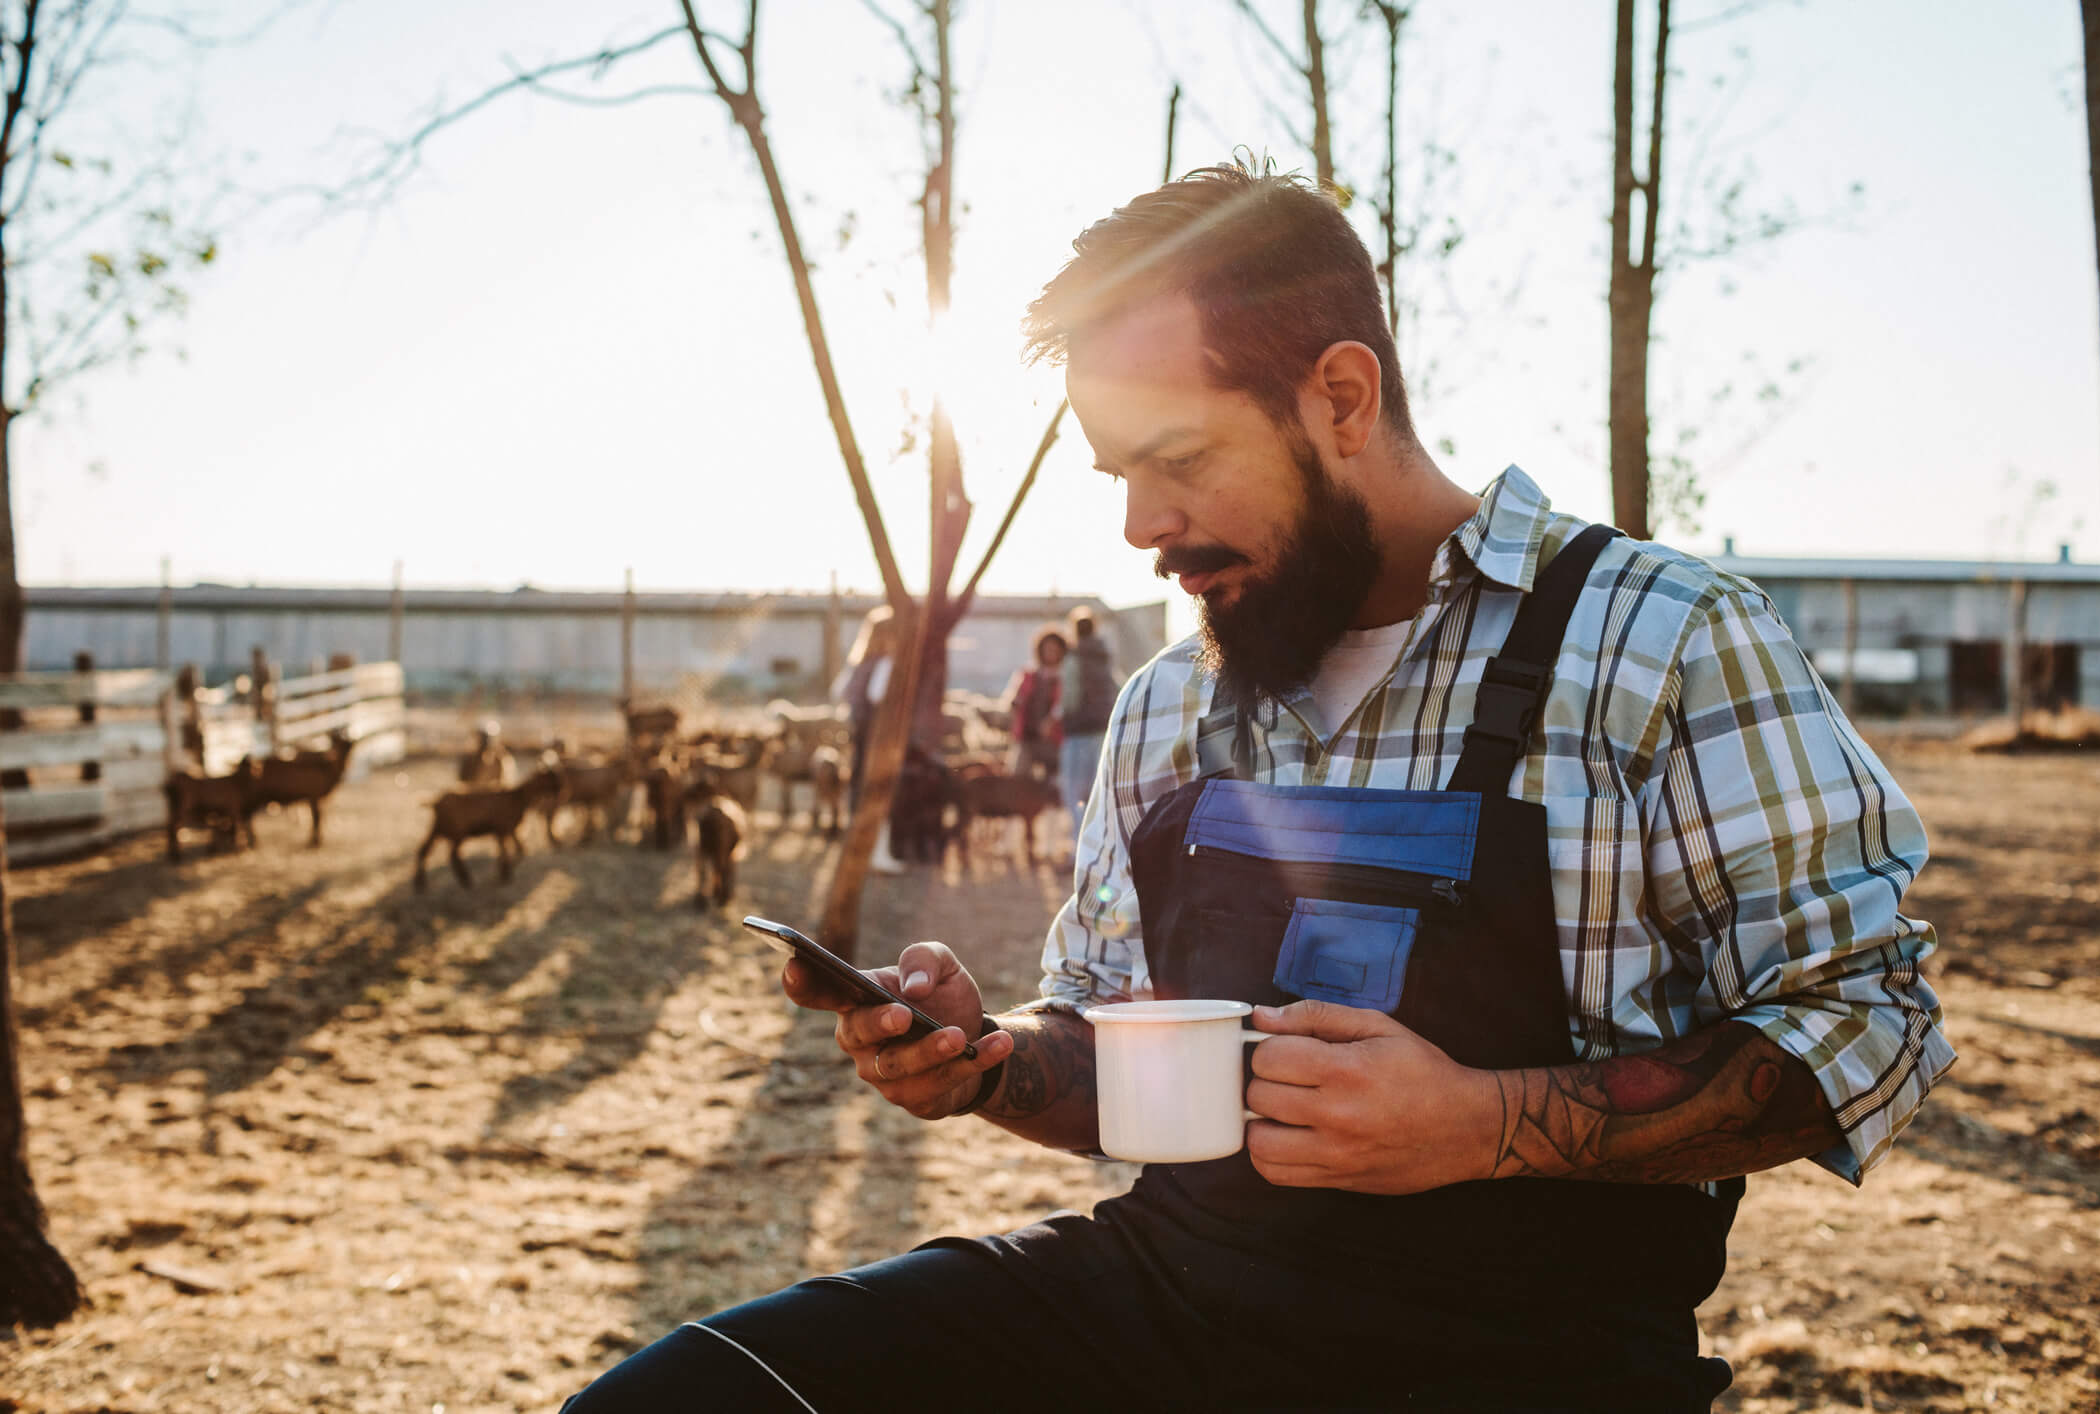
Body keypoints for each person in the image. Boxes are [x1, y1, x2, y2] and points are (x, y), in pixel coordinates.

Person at [564, 163, 1952, 1412]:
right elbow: (1112, 1056)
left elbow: (1865, 1024)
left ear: (1340, 397)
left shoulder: (1665, 639)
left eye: (1177, 460)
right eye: (1119, 474)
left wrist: (1483, 1122)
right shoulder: (1170, 700)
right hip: (1162, 1304)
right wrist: (984, 1059)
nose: (1140, 525)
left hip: (1534, 1363)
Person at [832, 605, 903, 876]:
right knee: (880, 788)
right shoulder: (886, 663)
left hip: (859, 733)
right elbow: (877, 695)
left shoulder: (860, 662)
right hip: (877, 736)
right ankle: (878, 853)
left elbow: (839, 691)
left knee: (860, 786)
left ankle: (858, 848)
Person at [1055, 605, 1119, 838]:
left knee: (1075, 793)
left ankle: (1080, 845)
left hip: (1078, 732)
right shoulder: (1104, 656)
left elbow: (1070, 699)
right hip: (1103, 730)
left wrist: (1057, 716)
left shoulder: (1073, 658)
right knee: (1098, 791)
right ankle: (1101, 841)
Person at [1003, 623, 1067, 781]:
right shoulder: (1029, 674)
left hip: (1054, 740)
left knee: (1053, 781)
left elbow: (1063, 705)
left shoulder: (1065, 678)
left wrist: (1050, 722)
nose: (1051, 653)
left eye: (1055, 649)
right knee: (1019, 777)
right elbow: (1015, 699)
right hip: (1027, 737)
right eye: (1047, 649)